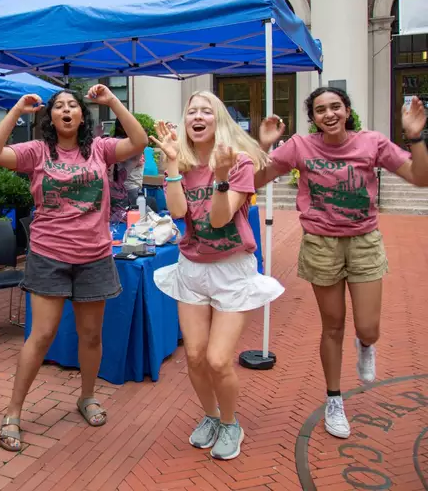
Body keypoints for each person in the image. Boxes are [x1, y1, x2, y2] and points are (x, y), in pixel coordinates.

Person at [254, 86, 428, 439]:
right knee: (332, 327)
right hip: (321, 244)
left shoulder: (372, 142)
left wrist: (415, 137)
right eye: (320, 110)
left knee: (368, 327)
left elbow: (420, 177)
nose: (329, 114)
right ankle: (334, 399)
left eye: (336, 107)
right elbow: (254, 180)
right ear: (313, 118)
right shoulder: (300, 146)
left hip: (364, 241)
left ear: (347, 111)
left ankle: (365, 344)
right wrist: (263, 147)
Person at [0, 85, 147, 452]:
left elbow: (139, 141)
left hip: (94, 256)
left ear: (82, 116)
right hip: (49, 255)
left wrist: (112, 101)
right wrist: (16, 110)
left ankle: (86, 397)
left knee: (91, 335)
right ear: (51, 117)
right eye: (59, 106)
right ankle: (13, 412)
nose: (67, 110)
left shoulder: (100, 149)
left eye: (73, 105)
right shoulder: (37, 151)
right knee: (41, 336)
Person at [151, 91, 284, 461]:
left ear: (219, 119)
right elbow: (179, 212)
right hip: (192, 267)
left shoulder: (238, 161)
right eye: (191, 111)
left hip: (232, 269)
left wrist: (221, 177)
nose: (197, 116)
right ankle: (210, 415)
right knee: (194, 356)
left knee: (218, 359)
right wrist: (172, 165)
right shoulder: (181, 160)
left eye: (206, 111)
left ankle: (230, 422)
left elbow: (220, 218)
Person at [109, 119, 146, 222]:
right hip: (130, 187)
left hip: (128, 187)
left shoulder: (120, 176)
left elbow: (135, 160)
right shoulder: (124, 143)